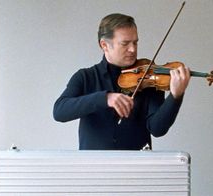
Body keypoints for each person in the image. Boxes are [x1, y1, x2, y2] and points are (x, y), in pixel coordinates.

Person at [53, 13, 190, 150]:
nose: (133, 49)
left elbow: (157, 129)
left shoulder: (148, 76)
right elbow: (60, 111)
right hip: (94, 167)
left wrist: (175, 96)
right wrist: (105, 98)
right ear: (104, 45)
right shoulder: (85, 77)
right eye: (125, 43)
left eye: (135, 42)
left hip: (137, 167)